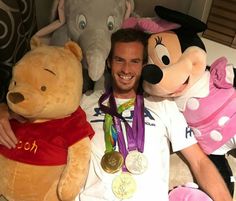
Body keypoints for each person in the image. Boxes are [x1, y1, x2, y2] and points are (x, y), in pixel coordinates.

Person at [0, 28, 233, 201]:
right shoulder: (83, 101)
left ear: (143, 66)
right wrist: (3, 110)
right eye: (119, 60)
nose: (126, 69)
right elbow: (37, 109)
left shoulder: (163, 105)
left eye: (134, 62)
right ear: (109, 63)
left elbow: (199, 161)